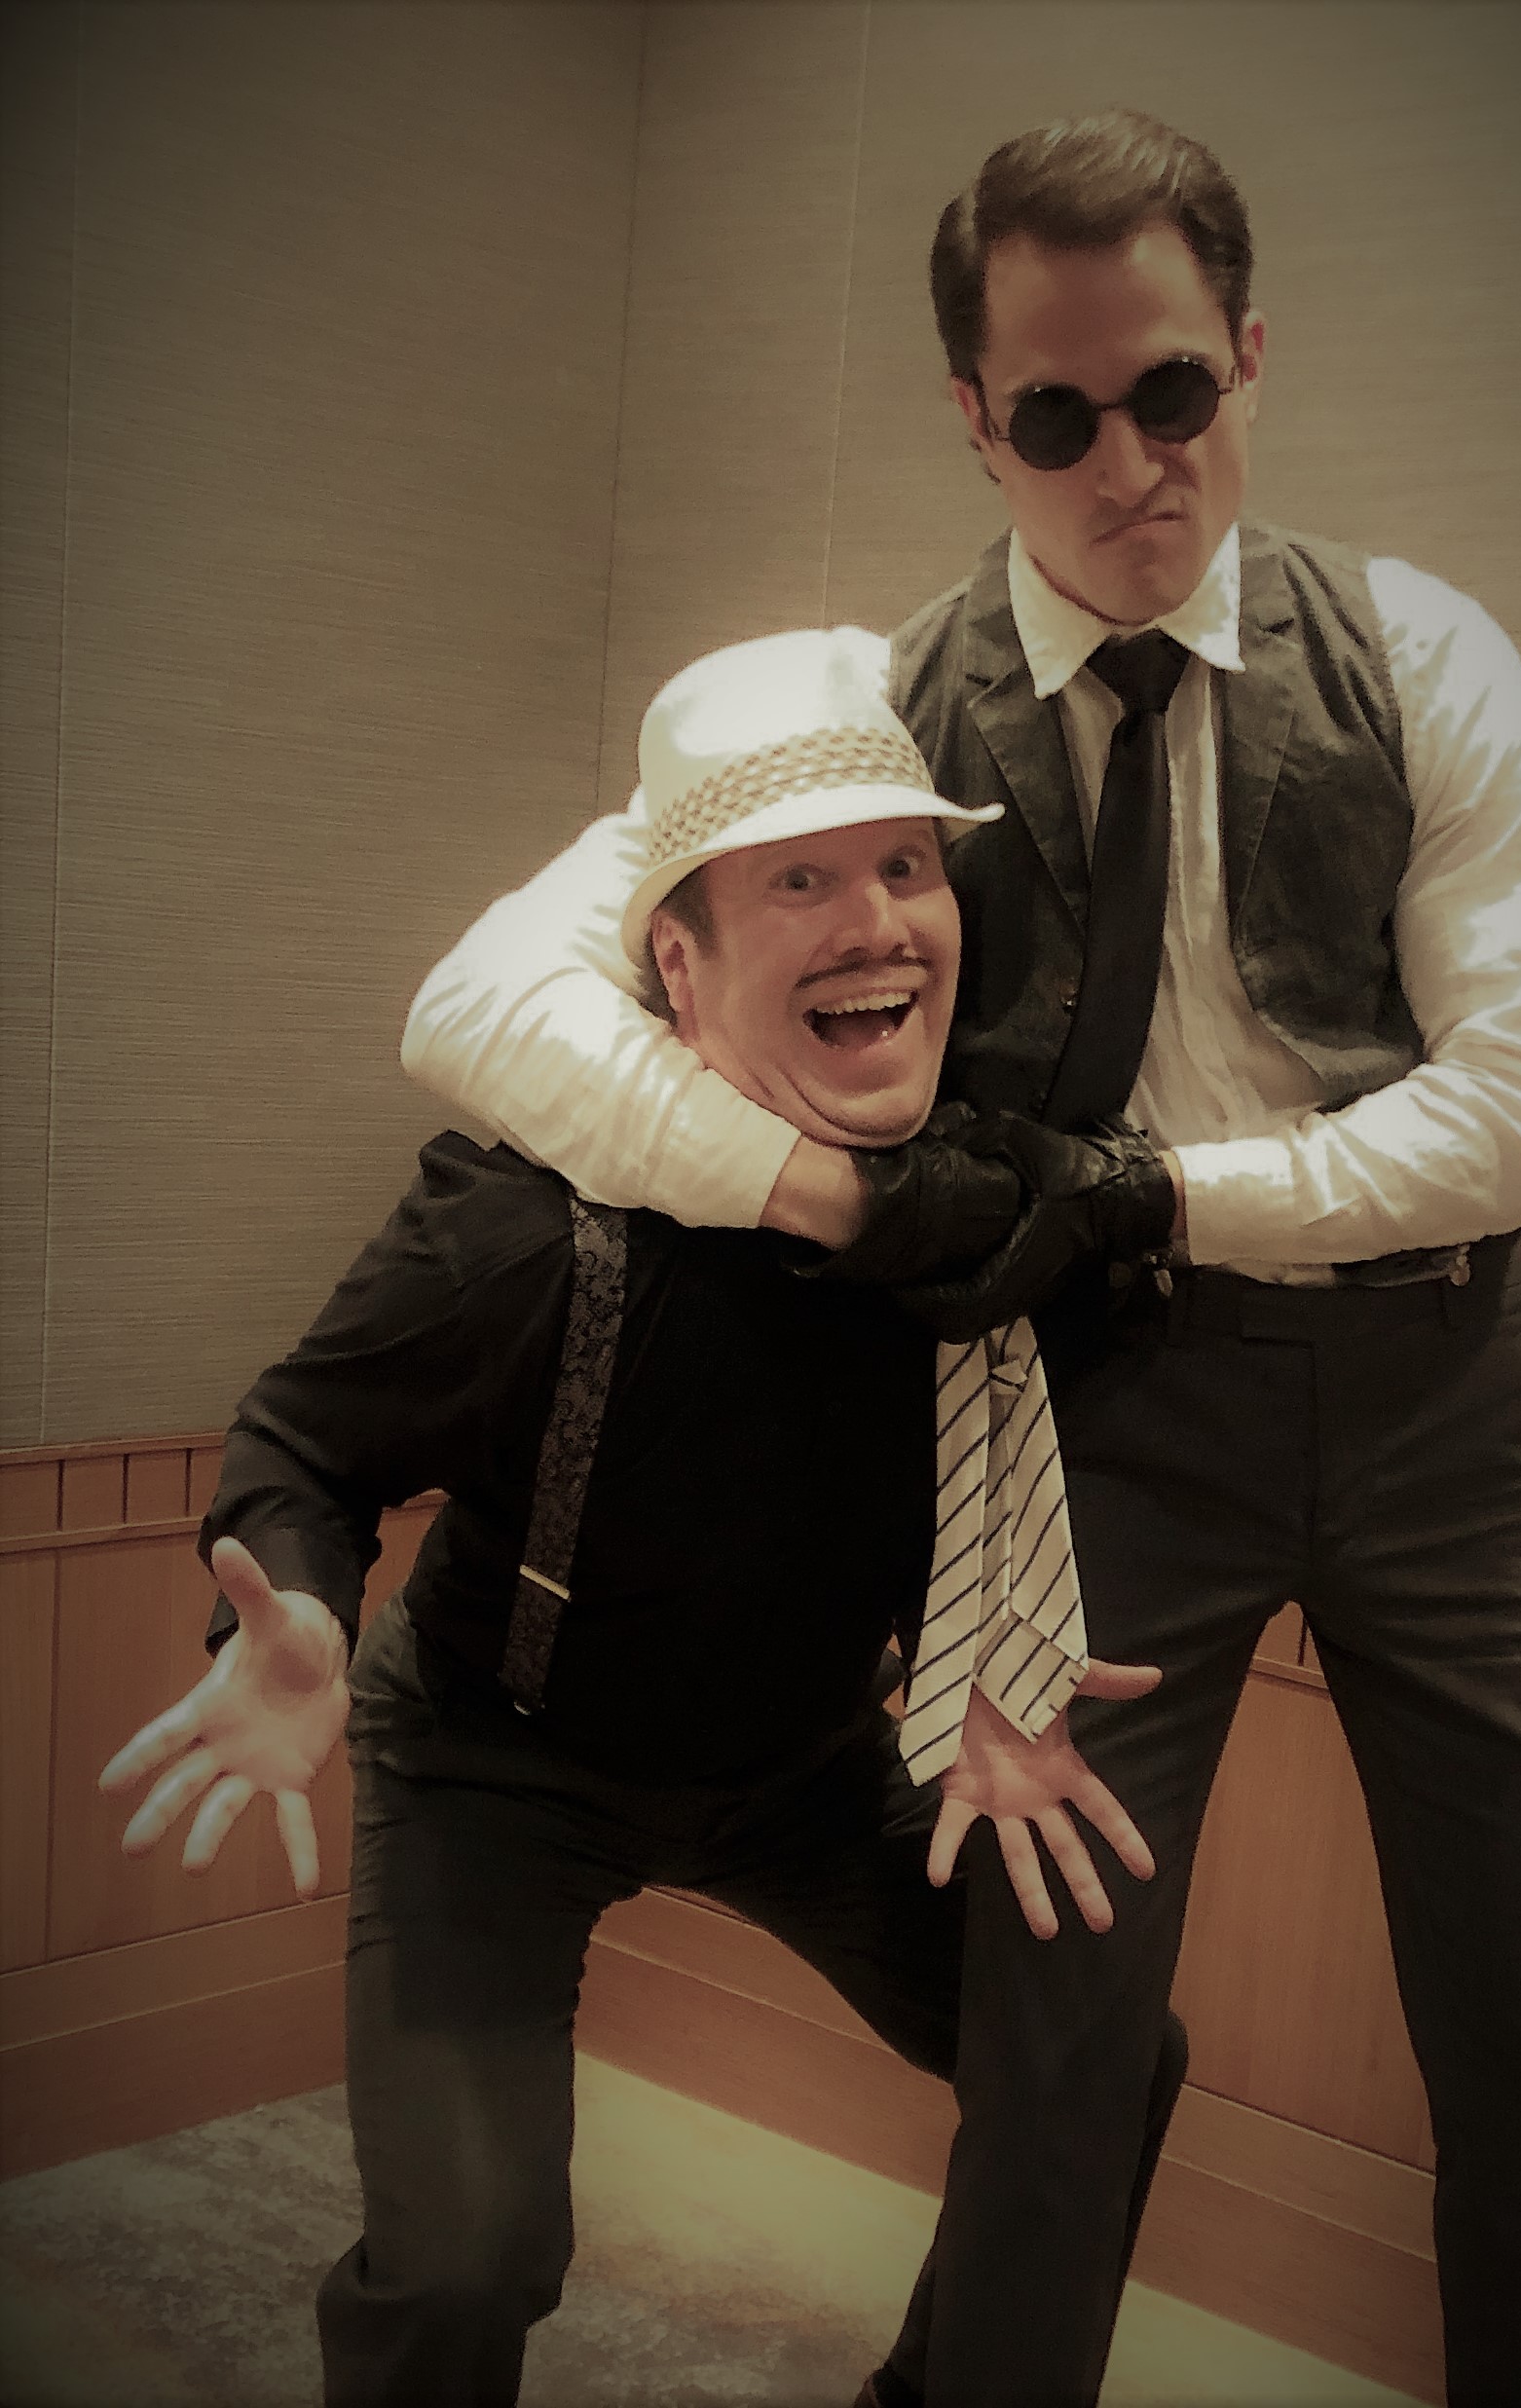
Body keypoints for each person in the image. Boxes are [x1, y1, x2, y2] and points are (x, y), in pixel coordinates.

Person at [400, 107, 1521, 2408]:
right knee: (1055, 2046)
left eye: (1171, 390)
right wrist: (844, 1200)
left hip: (1448, 1417)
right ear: (974, 417)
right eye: (1055, 416)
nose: (1128, 465)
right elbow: (477, 1001)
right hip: (1111, 1431)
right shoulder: (881, 710)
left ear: (1246, 355)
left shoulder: (1423, 655)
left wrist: (1147, 1188)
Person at [97, 625, 1191, 2408]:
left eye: (905, 866)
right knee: (466, 2255)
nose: (874, 920)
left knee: (1107, 2052)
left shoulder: (980, 1229)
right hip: (495, 1757)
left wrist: (990, 1649)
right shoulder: (527, 1222)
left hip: (806, 1768)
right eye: (798, 882)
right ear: (676, 967)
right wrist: (288, 1609)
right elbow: (304, 1438)